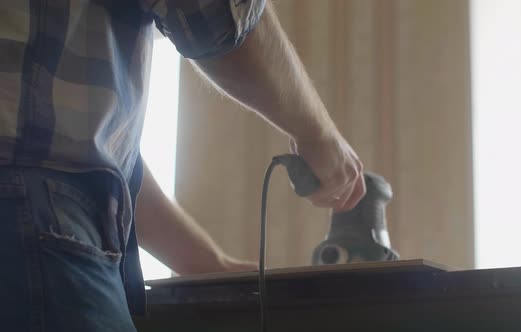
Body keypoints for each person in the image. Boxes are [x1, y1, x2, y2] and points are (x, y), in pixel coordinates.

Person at [0, 0, 365, 331]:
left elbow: (91, 155)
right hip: (32, 230)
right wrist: (319, 135)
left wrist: (210, 265)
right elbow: (215, 12)